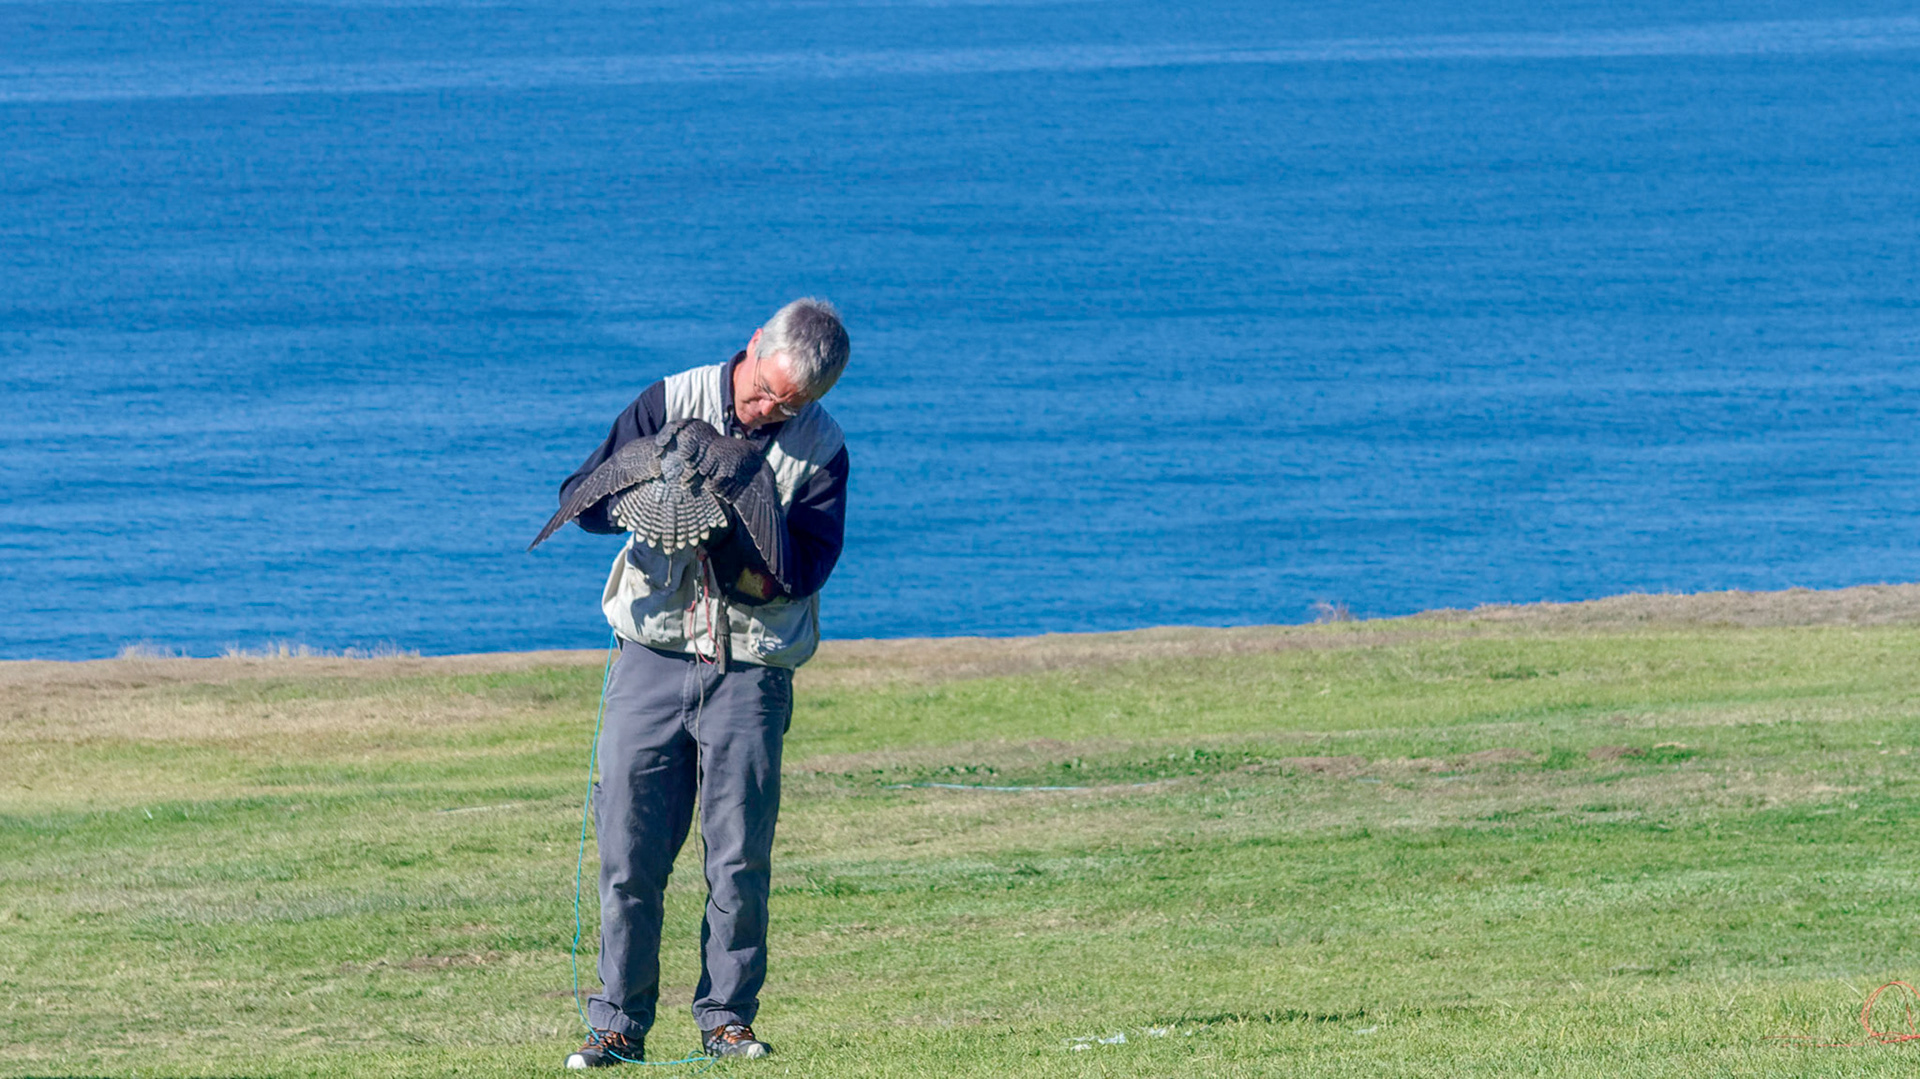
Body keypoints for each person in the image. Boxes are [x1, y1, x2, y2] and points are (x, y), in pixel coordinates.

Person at [555, 298, 851, 1069]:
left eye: (789, 406)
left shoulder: (821, 447)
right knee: (627, 850)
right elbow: (579, 499)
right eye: (762, 392)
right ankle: (616, 1023)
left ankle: (727, 1019)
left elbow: (805, 569)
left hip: (750, 669)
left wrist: (730, 530)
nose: (767, 411)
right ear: (752, 346)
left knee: (738, 858)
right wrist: (650, 495)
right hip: (650, 654)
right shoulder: (668, 399)